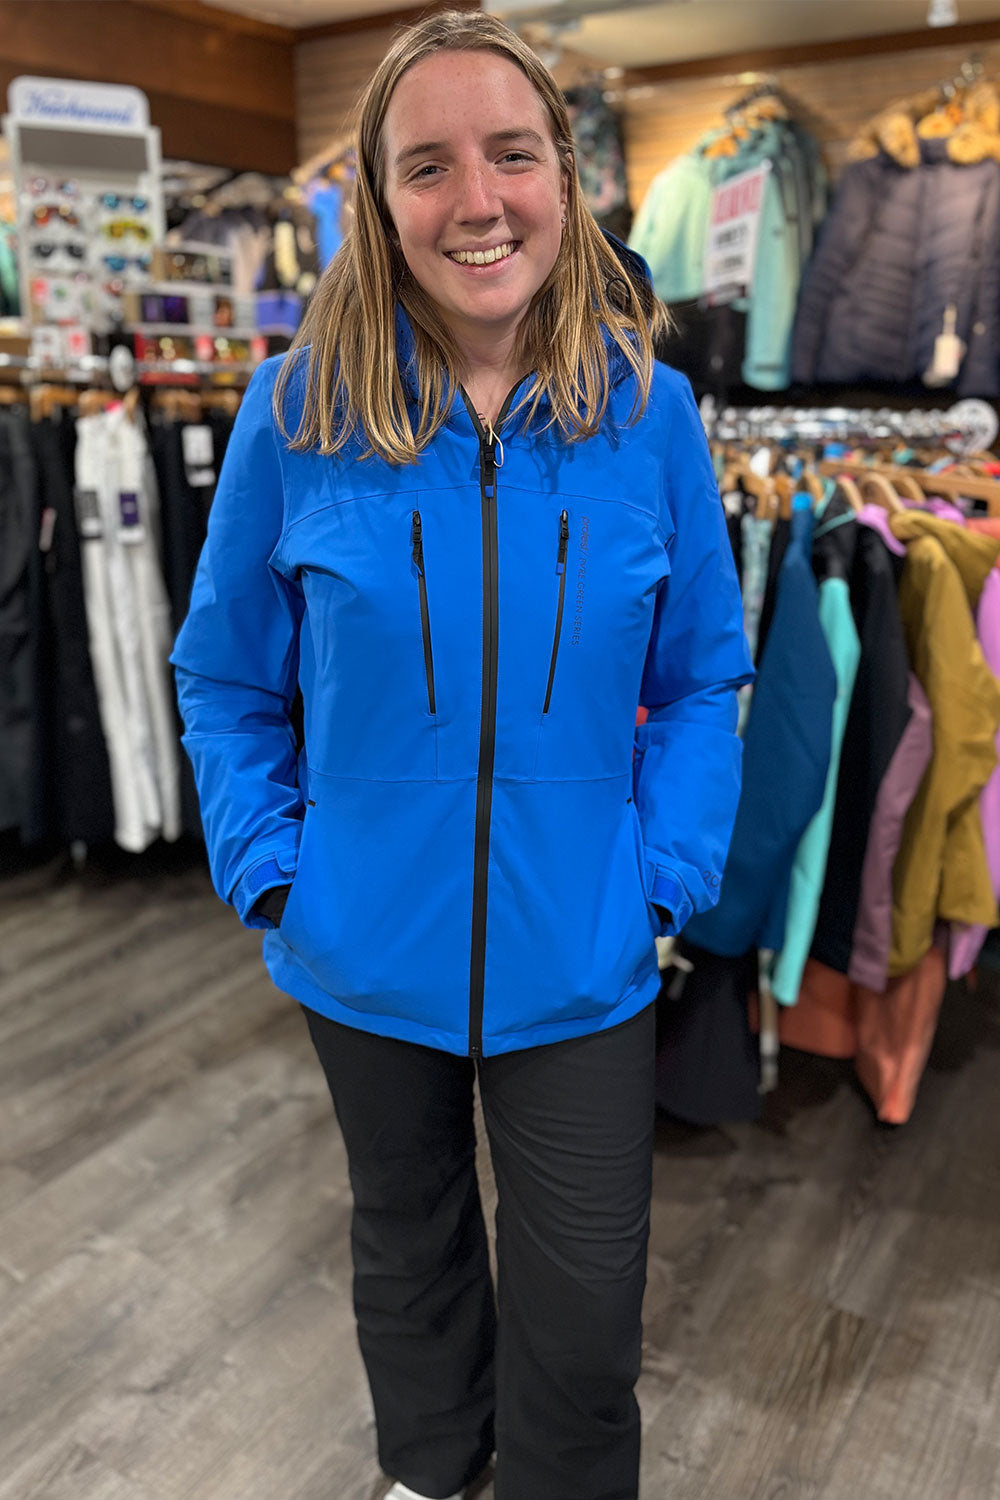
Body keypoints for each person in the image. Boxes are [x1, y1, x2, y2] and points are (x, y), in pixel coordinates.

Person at [171, 12, 753, 1499]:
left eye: (510, 154)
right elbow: (226, 677)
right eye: (425, 166)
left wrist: (664, 878)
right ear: (376, 198)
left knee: (583, 1308)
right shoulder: (294, 414)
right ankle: (429, 1473)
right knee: (407, 1250)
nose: (475, 201)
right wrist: (274, 872)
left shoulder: (653, 413)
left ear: (566, 173)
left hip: (584, 953)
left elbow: (702, 683)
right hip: (359, 946)